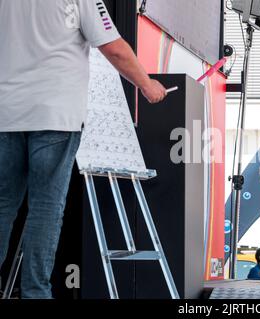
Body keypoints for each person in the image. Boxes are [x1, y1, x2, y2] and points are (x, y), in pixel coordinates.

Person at [0, 0, 167, 299]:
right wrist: (146, 84)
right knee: (46, 209)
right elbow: (113, 47)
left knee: (2, 207)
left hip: (6, 113)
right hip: (55, 114)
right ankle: (35, 293)